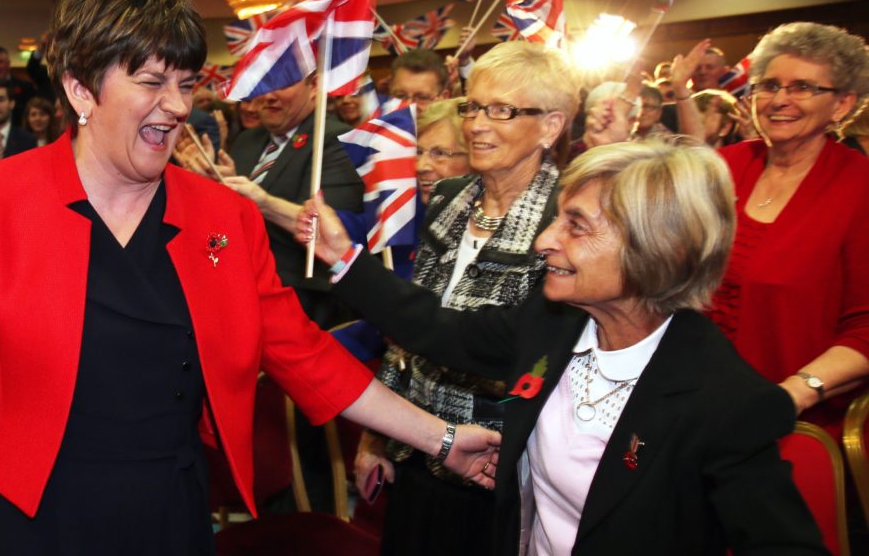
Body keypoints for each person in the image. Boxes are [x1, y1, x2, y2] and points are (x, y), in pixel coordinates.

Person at [0, 0, 499, 556]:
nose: (176, 105)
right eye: (151, 82)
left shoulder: (224, 218)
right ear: (82, 90)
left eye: (187, 83)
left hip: (168, 507)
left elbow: (306, 356)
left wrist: (443, 440)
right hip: (27, 511)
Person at [299, 138, 827, 556]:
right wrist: (345, 259)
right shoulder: (554, 323)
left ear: (659, 249)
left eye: (576, 226)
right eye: (557, 218)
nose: (544, 240)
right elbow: (441, 330)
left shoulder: (725, 401)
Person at [351, 41, 575, 556]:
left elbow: (513, 355)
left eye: (502, 111)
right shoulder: (451, 199)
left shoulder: (564, 221)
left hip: (499, 470)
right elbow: (408, 331)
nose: (476, 124)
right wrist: (375, 437)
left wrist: (348, 267)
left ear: (550, 126)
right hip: (416, 450)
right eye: (473, 106)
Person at [701, 22, 869, 437]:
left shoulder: (860, 187)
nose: (780, 100)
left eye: (803, 88)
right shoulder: (724, 167)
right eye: (769, 85)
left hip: (797, 427)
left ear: (842, 104)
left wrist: (794, 393)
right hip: (695, 408)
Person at [177, 74, 364, 328]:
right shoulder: (248, 140)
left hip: (303, 294)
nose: (269, 96)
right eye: (263, 85)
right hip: (236, 278)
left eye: (282, 83)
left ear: (313, 87)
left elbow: (334, 230)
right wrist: (213, 183)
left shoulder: (337, 139)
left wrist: (262, 201)